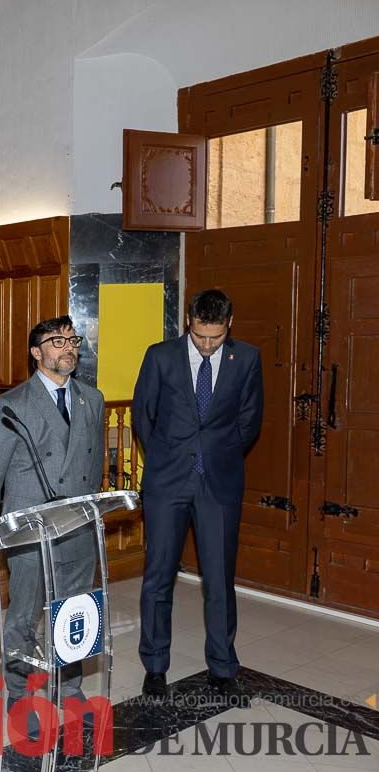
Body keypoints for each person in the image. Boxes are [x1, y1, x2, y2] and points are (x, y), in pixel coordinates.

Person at [0, 316, 105, 739]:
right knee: (25, 614)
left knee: (74, 610)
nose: (68, 347)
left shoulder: (92, 399)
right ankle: (20, 692)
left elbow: (93, 463)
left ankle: (70, 687)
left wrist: (90, 510)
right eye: (56, 341)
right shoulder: (14, 403)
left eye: (72, 340)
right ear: (36, 352)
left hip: (76, 526)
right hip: (29, 527)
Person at [132, 289, 263, 701]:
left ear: (229, 326)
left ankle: (223, 667)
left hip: (219, 485)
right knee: (158, 576)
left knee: (219, 579)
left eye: (216, 337)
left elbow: (249, 420)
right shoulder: (161, 356)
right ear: (189, 320)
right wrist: (169, 458)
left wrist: (216, 455)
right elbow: (142, 414)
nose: (208, 345)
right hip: (167, 482)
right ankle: (155, 666)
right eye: (201, 336)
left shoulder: (246, 359)